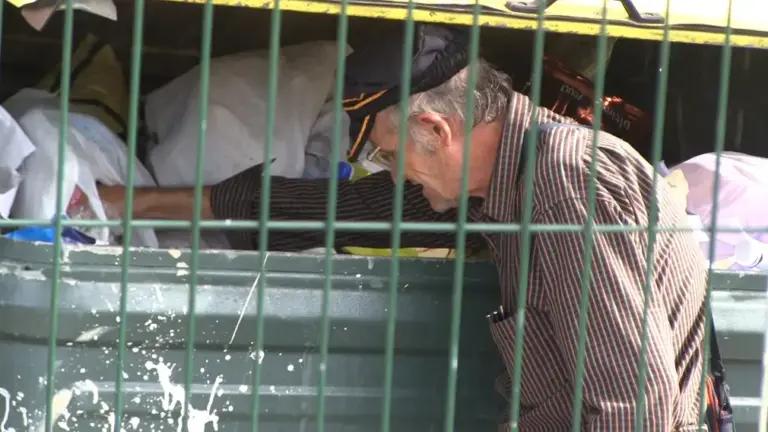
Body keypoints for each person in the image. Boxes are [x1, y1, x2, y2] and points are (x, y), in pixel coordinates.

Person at [98, 28, 708, 431]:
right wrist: (133, 203)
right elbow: (350, 206)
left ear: (437, 131)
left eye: (392, 155)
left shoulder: (567, 181)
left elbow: (634, 407)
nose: (394, 174)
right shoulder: (495, 181)